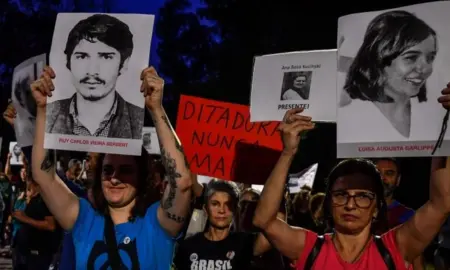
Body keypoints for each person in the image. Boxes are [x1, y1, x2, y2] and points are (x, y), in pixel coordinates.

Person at [252, 80, 450, 269]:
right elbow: (264, 220)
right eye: (341, 195)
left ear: (376, 208)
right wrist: (288, 152)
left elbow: (442, 203)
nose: (351, 204)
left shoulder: (397, 248)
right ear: (328, 203)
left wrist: (446, 126)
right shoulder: (308, 248)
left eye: (363, 196)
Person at [31, 65, 192, 269]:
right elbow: (43, 176)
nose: (114, 178)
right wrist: (44, 109)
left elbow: (182, 181)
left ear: (142, 177)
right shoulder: (84, 218)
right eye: (107, 170)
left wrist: (156, 108)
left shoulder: (157, 223)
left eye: (125, 171)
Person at [340, 10, 437, 139]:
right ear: (379, 59)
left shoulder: (432, 114)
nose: (425, 68)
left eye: (430, 58)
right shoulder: (348, 114)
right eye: (411, 57)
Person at [46, 14, 143, 139]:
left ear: (124, 64)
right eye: (82, 56)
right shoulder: (47, 113)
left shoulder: (141, 118)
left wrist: (157, 110)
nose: (92, 71)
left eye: (106, 57)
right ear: (68, 61)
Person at [174, 180, 272, 270]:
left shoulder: (244, 243)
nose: (221, 210)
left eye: (228, 205)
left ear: (235, 210)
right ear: (205, 209)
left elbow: (272, 232)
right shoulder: (187, 246)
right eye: (215, 204)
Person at [375, 158, 425, 269]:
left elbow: (417, 260)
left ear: (398, 180)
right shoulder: (356, 214)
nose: (382, 178)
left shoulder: (409, 216)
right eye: (377, 173)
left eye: (389, 173)